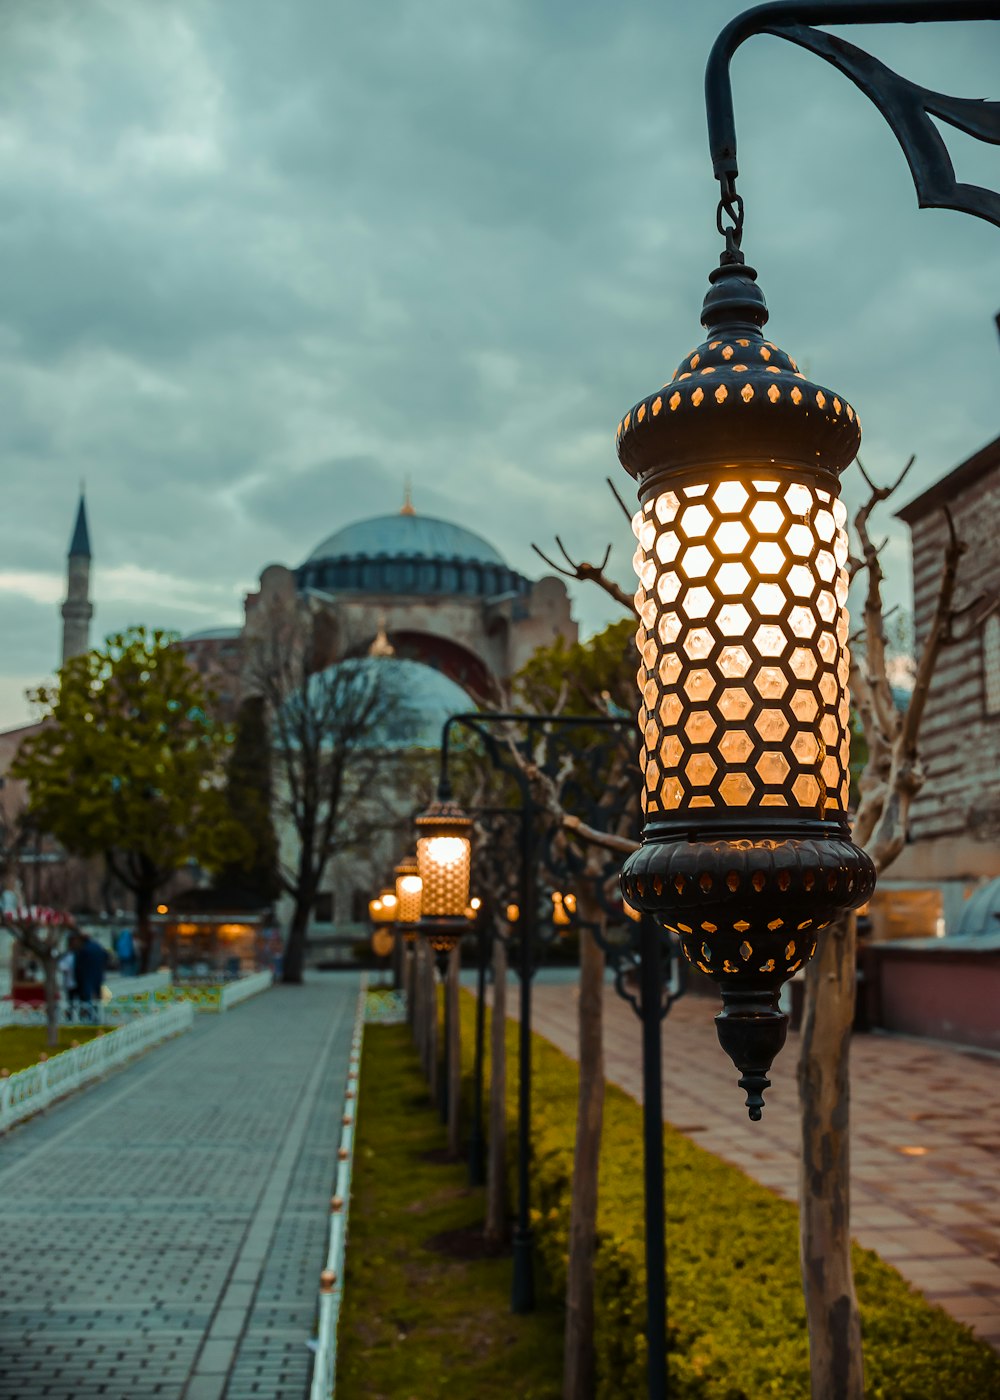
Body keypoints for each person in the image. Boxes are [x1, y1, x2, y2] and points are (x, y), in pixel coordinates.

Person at [71, 930, 109, 1023]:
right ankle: (96, 1015)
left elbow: (78, 966)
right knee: (97, 996)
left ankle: (91, 1016)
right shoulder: (97, 946)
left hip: (87, 975)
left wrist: (77, 978)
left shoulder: (84, 949)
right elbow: (106, 956)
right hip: (98, 974)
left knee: (87, 997)